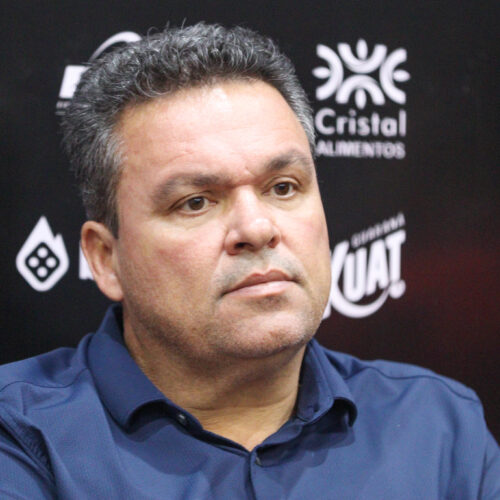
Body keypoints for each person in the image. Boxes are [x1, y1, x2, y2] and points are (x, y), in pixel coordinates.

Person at [0, 23, 498, 499]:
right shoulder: (22, 435)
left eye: (283, 187)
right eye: (195, 202)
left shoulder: (439, 428)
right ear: (106, 258)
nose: (257, 229)